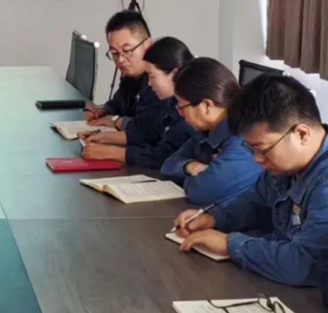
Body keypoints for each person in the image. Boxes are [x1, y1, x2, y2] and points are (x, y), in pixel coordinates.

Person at [174, 76, 328, 287]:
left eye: (262, 149)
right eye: (251, 149)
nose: (257, 159)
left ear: (301, 134)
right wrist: (213, 217)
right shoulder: (285, 167)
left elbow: (305, 264)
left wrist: (231, 245)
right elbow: (255, 201)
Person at [82, 37, 198, 167]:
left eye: (152, 76)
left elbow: (165, 156)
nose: (149, 83)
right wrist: (105, 137)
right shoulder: (171, 103)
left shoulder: (189, 111)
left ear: (174, 75)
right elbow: (153, 138)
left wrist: (111, 153)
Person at [161, 57, 262, 205]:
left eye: (182, 108)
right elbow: (168, 165)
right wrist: (191, 166)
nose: (181, 115)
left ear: (207, 105)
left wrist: (192, 178)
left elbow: (201, 192)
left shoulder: (243, 139)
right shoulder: (206, 131)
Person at [81, 10, 166, 149]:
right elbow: (118, 103)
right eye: (114, 53)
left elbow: (148, 132)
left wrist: (116, 120)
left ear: (148, 45)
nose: (120, 60)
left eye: (127, 51)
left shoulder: (161, 81)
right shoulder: (131, 77)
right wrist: (102, 111)